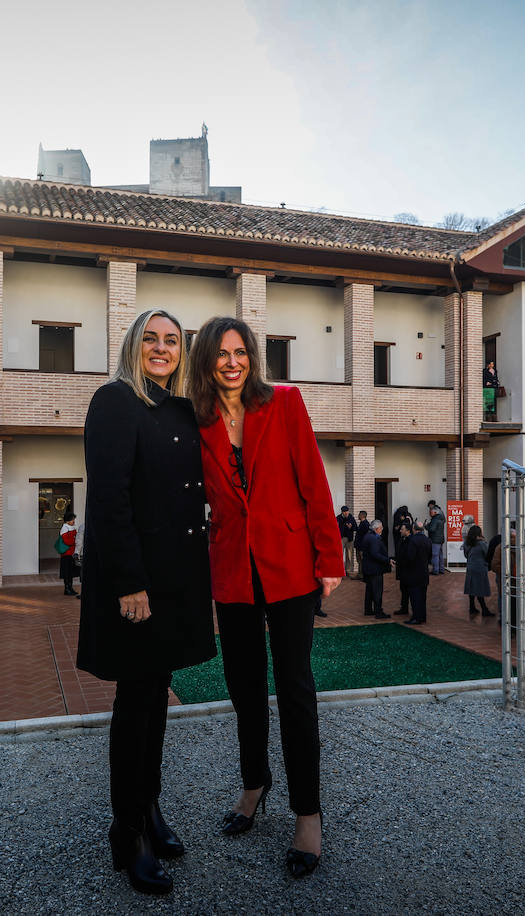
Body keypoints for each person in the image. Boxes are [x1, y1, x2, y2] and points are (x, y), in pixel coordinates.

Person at [190, 316, 343, 879]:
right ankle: (254, 784)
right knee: (244, 689)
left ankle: (308, 813)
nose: (232, 362)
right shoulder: (196, 420)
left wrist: (330, 557)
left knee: (296, 691)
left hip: (288, 568)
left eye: (241, 352)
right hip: (232, 571)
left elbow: (313, 480)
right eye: (221, 353)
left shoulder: (285, 403)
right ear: (206, 360)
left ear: (252, 358)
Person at [76, 308, 216, 896]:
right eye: (151, 339)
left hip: (177, 582)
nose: (161, 348)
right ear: (134, 345)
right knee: (133, 709)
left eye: (172, 341)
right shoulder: (113, 401)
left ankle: (151, 810)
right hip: (136, 588)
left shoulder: (179, 408)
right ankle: (126, 834)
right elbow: (108, 501)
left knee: (156, 704)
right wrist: (130, 583)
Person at [402, 521, 433, 624]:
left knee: (415, 597)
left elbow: (410, 557)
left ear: (414, 529)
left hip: (413, 573)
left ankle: (416, 617)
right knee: (422, 597)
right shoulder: (428, 540)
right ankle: (422, 617)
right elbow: (430, 556)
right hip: (424, 572)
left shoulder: (413, 541)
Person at [360, 520, 392, 620]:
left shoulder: (367, 536)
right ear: (376, 529)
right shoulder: (373, 538)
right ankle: (378, 611)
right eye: (381, 527)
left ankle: (368, 609)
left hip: (369, 568)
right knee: (377, 591)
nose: (382, 529)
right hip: (375, 569)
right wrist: (387, 560)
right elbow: (375, 554)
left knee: (370, 590)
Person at [462, 525, 494, 618]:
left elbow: (466, 555)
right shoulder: (482, 544)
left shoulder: (466, 543)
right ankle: (484, 609)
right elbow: (487, 554)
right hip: (480, 567)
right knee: (480, 588)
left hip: (470, 567)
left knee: (472, 587)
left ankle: (472, 607)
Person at [393, 514, 414, 616]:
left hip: (409, 571)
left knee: (409, 590)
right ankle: (404, 607)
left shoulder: (411, 541)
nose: (400, 531)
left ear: (408, 531)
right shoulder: (402, 540)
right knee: (403, 590)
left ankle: (411, 609)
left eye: (402, 529)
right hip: (402, 571)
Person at [59, 512, 80, 597]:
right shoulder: (65, 528)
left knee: (70, 572)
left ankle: (70, 588)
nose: (73, 521)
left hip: (71, 553)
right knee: (67, 572)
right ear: (68, 520)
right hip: (66, 554)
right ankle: (67, 589)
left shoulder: (72, 527)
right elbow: (67, 541)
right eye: (72, 519)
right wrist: (74, 539)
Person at [337, 506, 359, 579]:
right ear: (342, 512)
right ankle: (340, 572)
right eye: (345, 512)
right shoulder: (338, 518)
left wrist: (351, 527)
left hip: (349, 539)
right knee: (340, 555)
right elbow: (335, 527)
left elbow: (356, 528)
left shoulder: (351, 518)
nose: (346, 513)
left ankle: (348, 571)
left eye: (347, 511)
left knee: (349, 555)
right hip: (341, 538)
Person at [426, 505, 446, 575]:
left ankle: (435, 570)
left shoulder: (435, 519)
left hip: (435, 540)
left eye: (431, 512)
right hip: (440, 539)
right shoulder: (441, 518)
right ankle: (441, 569)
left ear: (435, 512)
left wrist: (426, 526)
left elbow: (432, 529)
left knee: (435, 555)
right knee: (440, 555)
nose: (430, 513)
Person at [354, 510, 371, 582]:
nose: (358, 516)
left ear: (362, 515)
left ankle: (364, 576)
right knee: (359, 561)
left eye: (359, 514)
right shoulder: (361, 523)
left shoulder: (366, 524)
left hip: (362, 547)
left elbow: (365, 537)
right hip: (358, 546)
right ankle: (360, 574)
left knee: (363, 561)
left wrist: (363, 547)